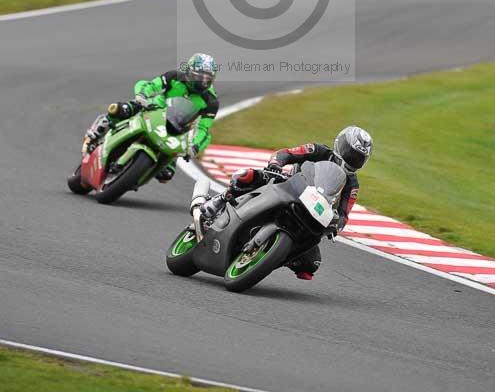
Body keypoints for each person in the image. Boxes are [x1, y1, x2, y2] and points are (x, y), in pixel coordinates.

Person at [201, 126, 373, 280]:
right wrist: (276, 163)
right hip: (287, 186)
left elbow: (345, 213)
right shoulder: (319, 150)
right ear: (340, 145)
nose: (353, 160)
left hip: (312, 212)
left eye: (359, 158)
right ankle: (220, 200)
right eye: (351, 153)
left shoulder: (352, 184)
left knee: (311, 265)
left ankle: (272, 256)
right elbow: (287, 153)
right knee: (248, 176)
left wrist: (336, 225)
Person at [83, 53, 219, 183]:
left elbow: (203, 128)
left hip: (177, 129)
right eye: (198, 77)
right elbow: (153, 85)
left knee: (166, 176)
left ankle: (133, 179)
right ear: (189, 71)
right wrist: (143, 96)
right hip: (153, 109)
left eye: (207, 79)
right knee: (119, 109)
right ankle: (95, 133)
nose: (202, 82)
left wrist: (194, 147)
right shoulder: (174, 76)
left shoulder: (211, 101)